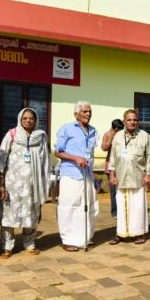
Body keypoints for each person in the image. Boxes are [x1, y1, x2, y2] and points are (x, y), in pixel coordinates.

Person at [0, 108, 50, 258]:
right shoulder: (12, 134)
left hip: (33, 183)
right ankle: (7, 246)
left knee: (31, 213)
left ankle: (29, 243)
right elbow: (2, 156)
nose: (28, 120)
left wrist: (45, 180)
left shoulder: (41, 136)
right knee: (9, 214)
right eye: (24, 118)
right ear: (20, 119)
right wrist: (1, 179)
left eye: (31, 118)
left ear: (36, 120)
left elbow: (45, 160)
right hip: (12, 182)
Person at [54, 102, 99, 252]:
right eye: (84, 111)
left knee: (89, 206)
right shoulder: (66, 128)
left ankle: (84, 237)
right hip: (71, 173)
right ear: (76, 114)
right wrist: (75, 158)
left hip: (87, 175)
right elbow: (57, 151)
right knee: (69, 206)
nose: (88, 114)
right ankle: (68, 240)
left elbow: (90, 154)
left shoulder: (93, 131)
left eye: (89, 111)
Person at [109, 109, 150, 245]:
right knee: (121, 206)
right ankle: (121, 233)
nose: (132, 122)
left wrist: (148, 174)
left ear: (137, 121)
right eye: (129, 120)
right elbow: (113, 156)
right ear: (124, 121)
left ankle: (139, 233)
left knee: (138, 206)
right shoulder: (117, 137)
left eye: (135, 119)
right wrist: (111, 173)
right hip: (121, 176)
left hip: (138, 177)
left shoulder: (145, 136)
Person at [102, 119, 124, 218]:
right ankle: (115, 212)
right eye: (118, 130)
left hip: (122, 165)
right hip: (111, 165)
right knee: (114, 191)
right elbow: (104, 148)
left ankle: (123, 211)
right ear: (114, 129)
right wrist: (111, 137)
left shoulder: (124, 135)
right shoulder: (107, 134)